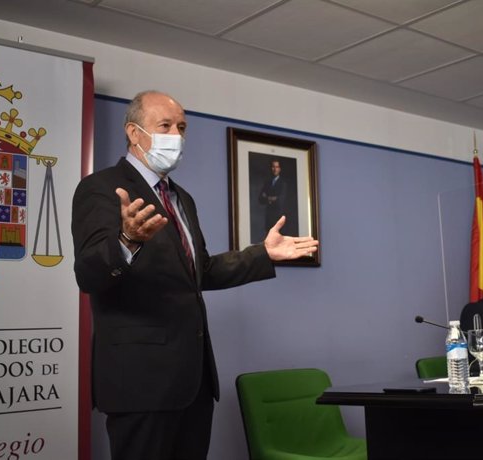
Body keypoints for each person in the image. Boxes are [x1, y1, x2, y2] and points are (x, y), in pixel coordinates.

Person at [71, 90, 318, 460]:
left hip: (194, 381)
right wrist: (126, 240)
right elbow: (89, 274)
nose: (177, 135)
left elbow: (199, 272)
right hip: (140, 383)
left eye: (182, 127)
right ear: (134, 133)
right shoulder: (101, 188)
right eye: (165, 125)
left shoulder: (181, 198)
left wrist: (262, 254)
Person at [258, 159, 287, 233]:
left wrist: (267, 197)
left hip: (278, 216)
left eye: (277, 167)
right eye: (273, 167)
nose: (275, 169)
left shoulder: (283, 184)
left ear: (280, 169)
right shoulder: (267, 182)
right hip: (268, 217)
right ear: (271, 168)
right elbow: (260, 199)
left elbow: (280, 200)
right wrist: (272, 198)